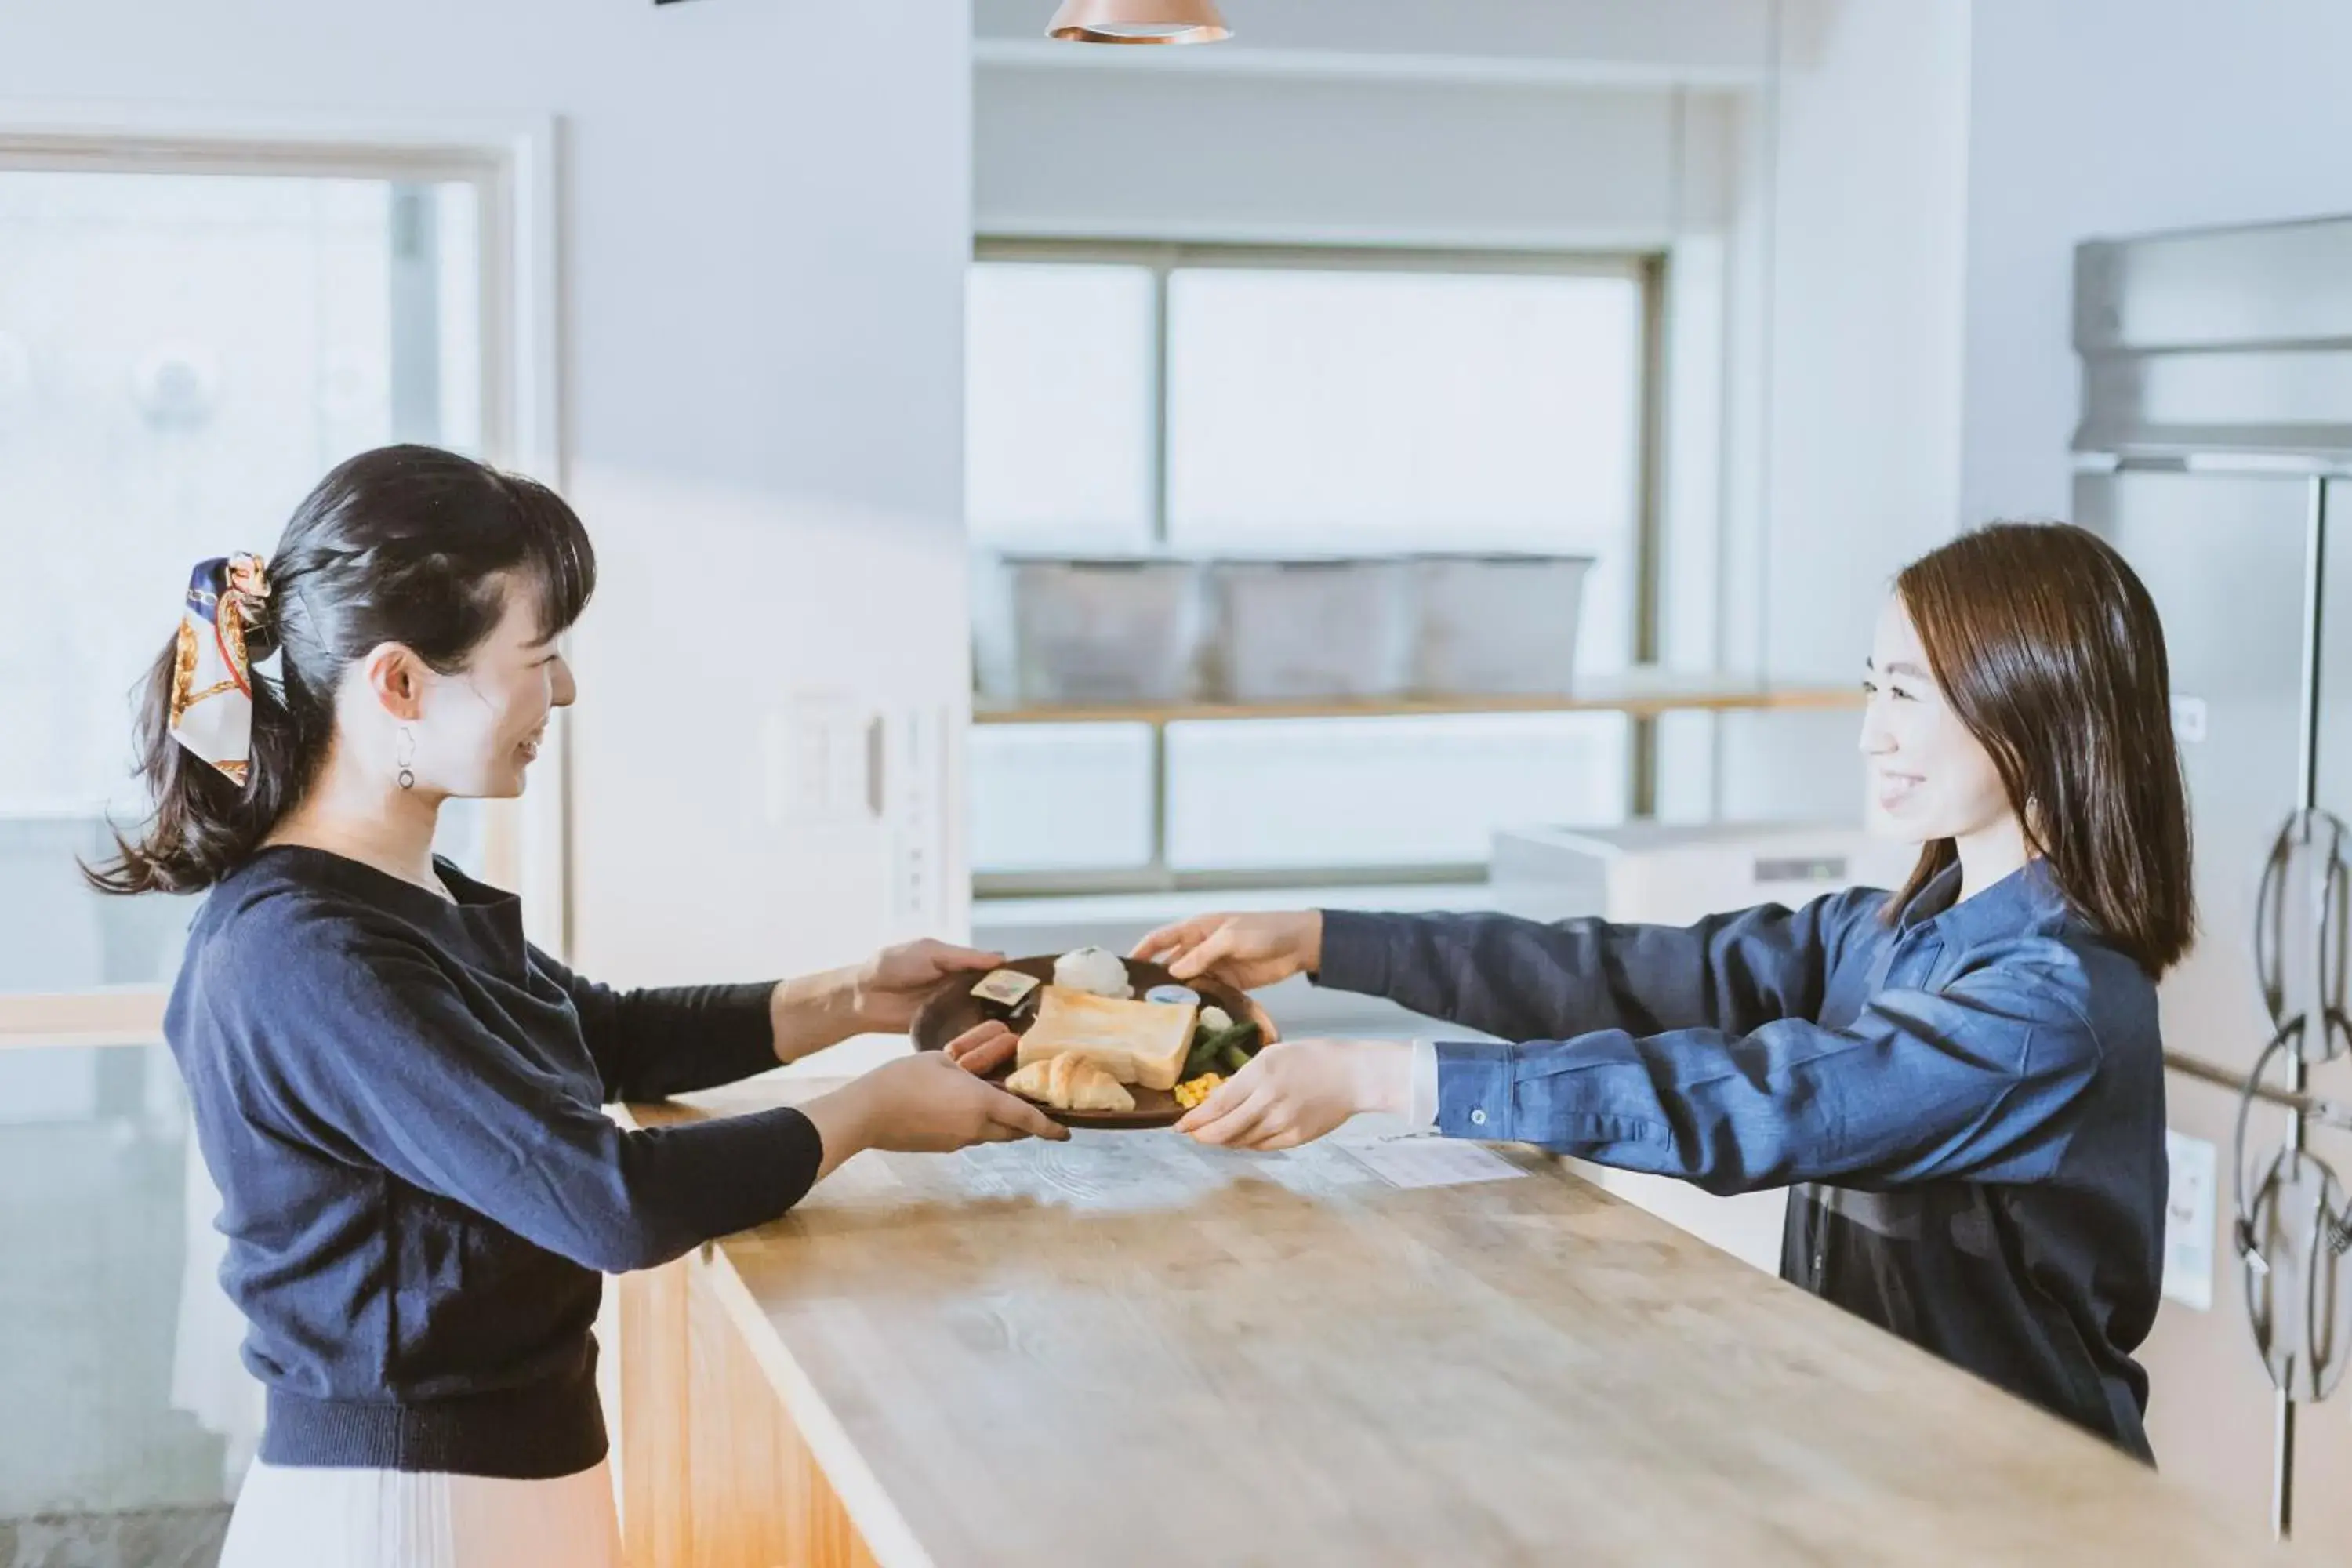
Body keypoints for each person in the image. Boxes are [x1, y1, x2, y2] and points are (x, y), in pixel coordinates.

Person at [89, 444, 1063, 1568]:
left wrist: (855, 997)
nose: (564, 691)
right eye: (538, 656)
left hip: (488, 1493)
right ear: (400, 683)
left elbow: (602, 1036)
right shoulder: (308, 954)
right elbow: (607, 1203)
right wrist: (872, 1110)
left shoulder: (396, 896)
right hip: (411, 1516)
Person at [1131, 521, 2194, 1461]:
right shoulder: (1889, 935)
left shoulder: (2050, 1006)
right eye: (1874, 686)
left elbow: (1774, 1103)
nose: (1872, 732)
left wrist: (1385, 1075)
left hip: (2036, 1499)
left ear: (2033, 704)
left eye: (1908, 694)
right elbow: (1623, 975)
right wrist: (1329, 939)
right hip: (1891, 1448)